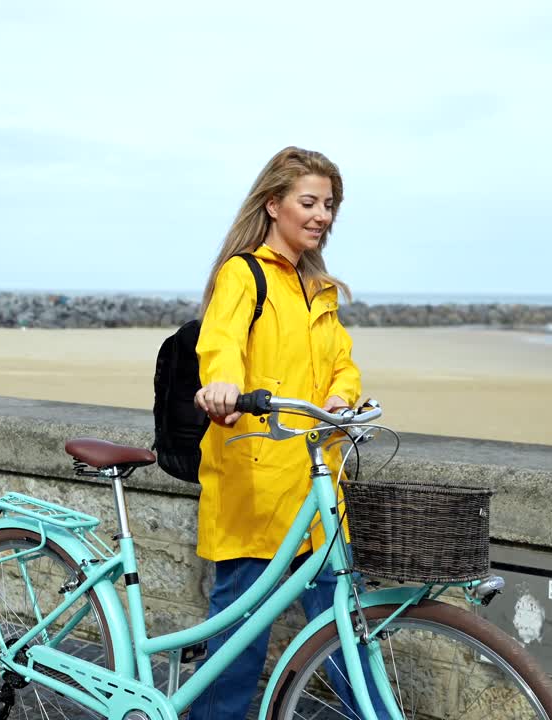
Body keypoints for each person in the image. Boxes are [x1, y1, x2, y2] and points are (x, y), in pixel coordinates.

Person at [189, 146, 366, 720]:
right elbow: (220, 344)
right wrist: (221, 388)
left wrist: (343, 393)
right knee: (238, 646)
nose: (322, 216)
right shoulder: (244, 274)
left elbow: (342, 361)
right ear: (273, 204)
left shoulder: (322, 291)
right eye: (309, 202)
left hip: (317, 486)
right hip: (256, 481)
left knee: (345, 632)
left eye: (329, 205)